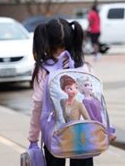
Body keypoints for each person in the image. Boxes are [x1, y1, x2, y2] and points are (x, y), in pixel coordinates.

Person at [28, 17, 94, 166]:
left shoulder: (42, 70)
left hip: (54, 134)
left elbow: (38, 105)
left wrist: (33, 138)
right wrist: (106, 130)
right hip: (82, 133)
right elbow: (94, 100)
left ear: (46, 41)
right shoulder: (84, 67)